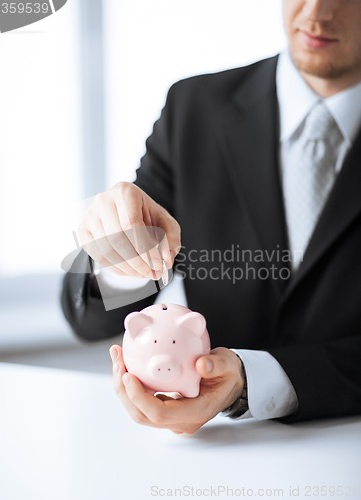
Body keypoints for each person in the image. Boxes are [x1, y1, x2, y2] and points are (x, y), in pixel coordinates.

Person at [61, 0, 361, 434]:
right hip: (217, 454)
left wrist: (251, 380)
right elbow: (89, 319)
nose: (316, 13)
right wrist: (118, 252)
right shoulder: (194, 109)